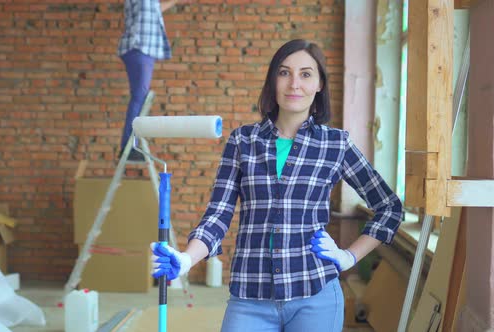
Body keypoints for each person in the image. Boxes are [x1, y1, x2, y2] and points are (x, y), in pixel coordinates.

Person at [150, 39, 403, 331]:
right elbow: (218, 215)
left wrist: (349, 256)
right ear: (273, 80)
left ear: (319, 84)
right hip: (250, 297)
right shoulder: (242, 141)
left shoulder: (336, 144)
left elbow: (389, 208)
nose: (294, 83)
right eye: (284, 73)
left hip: (315, 294)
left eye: (306, 74)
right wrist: (185, 258)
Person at [117, 0, 191, 161]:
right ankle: (127, 147)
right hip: (139, 48)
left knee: (140, 97)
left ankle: (129, 146)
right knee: (139, 97)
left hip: (141, 49)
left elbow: (154, 8)